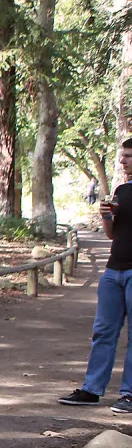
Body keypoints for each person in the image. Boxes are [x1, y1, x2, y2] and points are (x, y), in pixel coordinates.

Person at [60, 139, 132, 413]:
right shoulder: (122, 190)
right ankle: (92, 389)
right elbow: (113, 234)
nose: (122, 161)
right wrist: (106, 217)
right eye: (122, 156)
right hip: (114, 271)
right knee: (103, 332)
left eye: (127, 156)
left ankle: (129, 394)